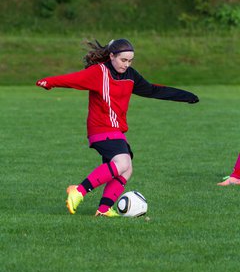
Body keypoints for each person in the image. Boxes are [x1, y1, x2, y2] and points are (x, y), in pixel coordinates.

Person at [36, 38, 199, 217]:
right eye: (123, 60)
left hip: (116, 131)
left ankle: (104, 209)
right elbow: (73, 79)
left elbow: (152, 90)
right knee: (122, 163)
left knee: (127, 168)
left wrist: (184, 95)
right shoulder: (98, 72)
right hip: (101, 128)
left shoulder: (131, 75)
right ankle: (79, 191)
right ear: (112, 56)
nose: (126, 65)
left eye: (130, 61)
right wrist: (48, 82)